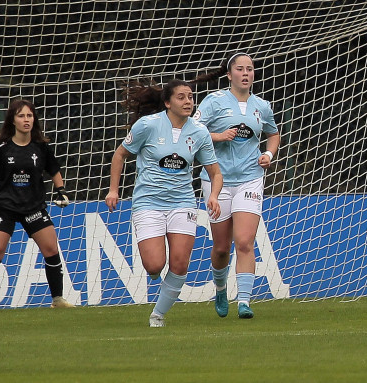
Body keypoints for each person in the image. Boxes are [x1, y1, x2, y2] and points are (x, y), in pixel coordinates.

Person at [105, 78, 223, 328]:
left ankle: (157, 315)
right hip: (148, 202)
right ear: (167, 102)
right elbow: (120, 154)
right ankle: (158, 279)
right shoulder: (147, 125)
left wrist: (213, 196)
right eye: (181, 97)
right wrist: (113, 190)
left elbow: (215, 172)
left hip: (182, 203)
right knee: (154, 265)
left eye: (190, 96)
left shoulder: (200, 131)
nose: (188, 101)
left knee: (180, 263)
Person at [193, 53, 280, 319]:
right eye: (240, 69)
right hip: (216, 180)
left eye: (250, 69)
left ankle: (244, 301)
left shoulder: (261, 106)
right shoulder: (214, 101)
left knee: (244, 241)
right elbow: (191, 131)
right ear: (229, 75)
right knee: (221, 247)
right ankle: (220, 289)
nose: (246, 73)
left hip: (250, 179)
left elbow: (273, 133)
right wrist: (219, 136)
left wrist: (268, 155)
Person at [0, 98, 74, 311]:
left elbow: (54, 169)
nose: (26, 120)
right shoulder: (2, 149)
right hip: (5, 207)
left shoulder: (41, 147)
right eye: (21, 116)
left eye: (29, 115)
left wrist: (61, 191)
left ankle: (57, 299)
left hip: (33, 207)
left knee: (51, 248)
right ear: (13, 120)